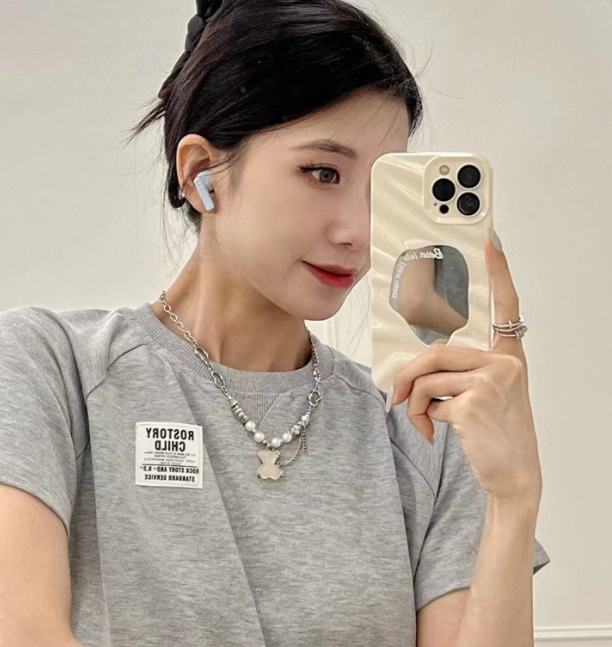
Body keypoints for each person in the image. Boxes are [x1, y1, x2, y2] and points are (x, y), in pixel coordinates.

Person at [0, 1, 550, 646]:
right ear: (201, 174)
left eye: (383, 188)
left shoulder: (422, 421)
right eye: (323, 172)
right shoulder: (50, 368)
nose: (360, 231)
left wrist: (514, 498)